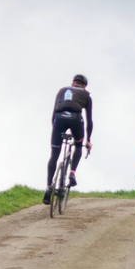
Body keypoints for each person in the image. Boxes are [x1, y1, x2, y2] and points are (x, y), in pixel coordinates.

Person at [44, 74, 93, 204]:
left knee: (54, 155)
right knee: (78, 145)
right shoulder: (86, 95)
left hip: (59, 119)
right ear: (84, 86)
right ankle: (72, 173)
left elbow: (53, 115)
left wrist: (56, 130)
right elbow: (89, 120)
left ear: (72, 83)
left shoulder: (61, 90)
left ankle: (48, 187)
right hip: (76, 119)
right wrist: (88, 140)